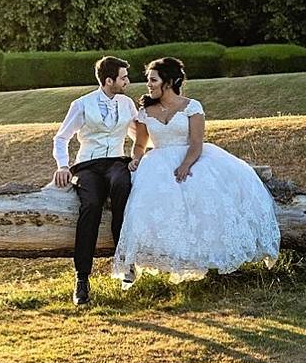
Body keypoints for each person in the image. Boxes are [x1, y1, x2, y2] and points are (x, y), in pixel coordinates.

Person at [111, 57, 281, 287]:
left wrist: (185, 165)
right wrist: (136, 159)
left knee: (207, 199)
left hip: (193, 159)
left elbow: (196, 143)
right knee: (146, 201)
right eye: (148, 80)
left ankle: (210, 258)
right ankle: (144, 262)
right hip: (157, 162)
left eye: (153, 80)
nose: (148, 85)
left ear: (168, 82)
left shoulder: (191, 106)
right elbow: (140, 145)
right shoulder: (146, 111)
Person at [52, 56, 138, 305]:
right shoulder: (81, 104)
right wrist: (62, 166)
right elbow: (61, 138)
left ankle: (124, 261)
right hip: (88, 166)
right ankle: (82, 278)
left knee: (123, 186)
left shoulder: (127, 103)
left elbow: (138, 135)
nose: (127, 82)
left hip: (116, 163)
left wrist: (155, 152)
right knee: (90, 205)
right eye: (123, 77)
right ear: (109, 80)